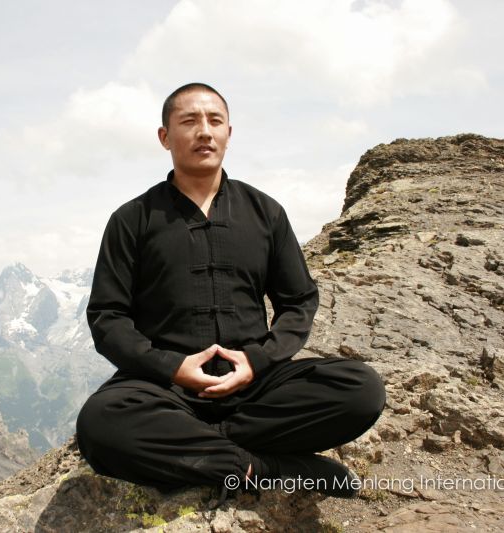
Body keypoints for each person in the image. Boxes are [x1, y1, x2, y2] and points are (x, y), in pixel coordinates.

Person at [76, 83, 385, 504]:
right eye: (189, 121)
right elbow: (107, 317)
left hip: (255, 388)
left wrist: (258, 361)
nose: (204, 131)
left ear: (228, 133)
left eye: (215, 121)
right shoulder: (132, 219)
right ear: (165, 137)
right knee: (100, 425)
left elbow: (298, 301)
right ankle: (270, 469)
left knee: (361, 389)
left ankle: (200, 450)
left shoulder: (265, 212)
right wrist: (172, 367)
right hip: (165, 388)